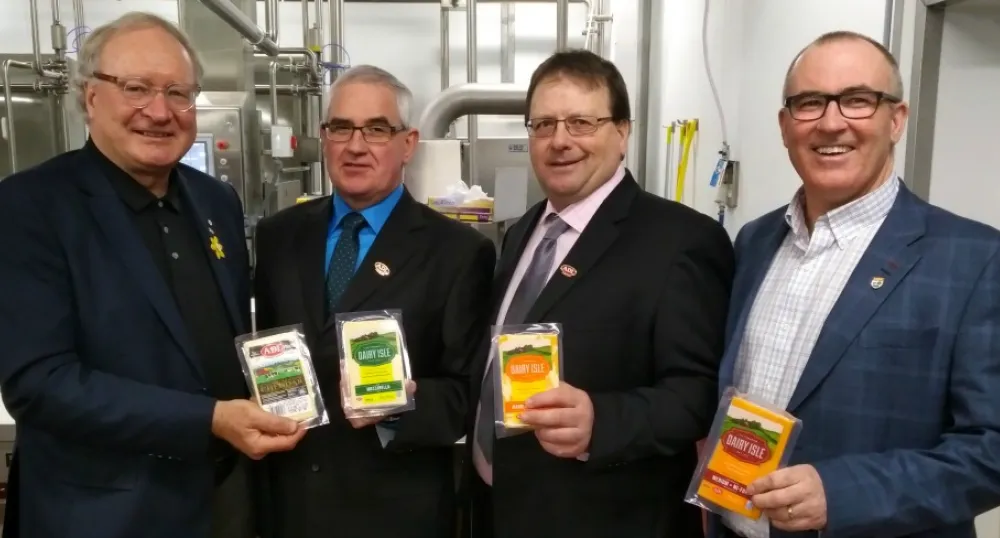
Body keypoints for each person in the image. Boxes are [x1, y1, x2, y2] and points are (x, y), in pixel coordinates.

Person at [0, 12, 306, 538]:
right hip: (105, 511)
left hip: (225, 496)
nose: (159, 112)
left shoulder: (215, 200)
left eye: (178, 93)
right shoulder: (30, 207)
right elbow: (40, 383)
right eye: (136, 88)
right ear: (91, 96)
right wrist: (210, 419)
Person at [709, 31, 1000, 538]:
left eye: (858, 100)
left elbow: (991, 450)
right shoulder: (754, 241)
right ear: (784, 125)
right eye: (809, 102)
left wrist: (842, 494)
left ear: (896, 119)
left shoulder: (975, 259)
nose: (831, 122)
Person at [465, 49, 735, 538]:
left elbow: (698, 394)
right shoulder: (522, 231)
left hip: (602, 516)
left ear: (622, 132)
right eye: (544, 125)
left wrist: (601, 421)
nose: (560, 141)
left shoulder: (681, 240)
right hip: (498, 506)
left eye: (581, 123)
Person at [252, 64, 496, 538]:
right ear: (324, 137)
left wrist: (400, 405)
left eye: (377, 129)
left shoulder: (457, 252)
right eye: (341, 128)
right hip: (290, 500)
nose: (356, 145)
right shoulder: (278, 236)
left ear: (408, 143)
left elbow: (468, 394)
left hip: (393, 510)